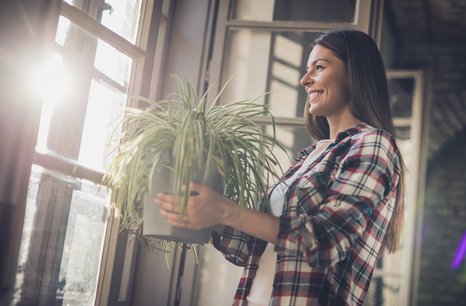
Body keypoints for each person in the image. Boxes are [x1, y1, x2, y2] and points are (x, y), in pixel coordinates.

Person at [156, 29, 405, 306]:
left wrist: (225, 210)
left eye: (319, 68)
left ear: (353, 73)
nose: (304, 79)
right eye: (306, 69)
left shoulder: (373, 144)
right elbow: (255, 247)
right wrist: (205, 211)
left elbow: (326, 239)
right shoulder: (310, 156)